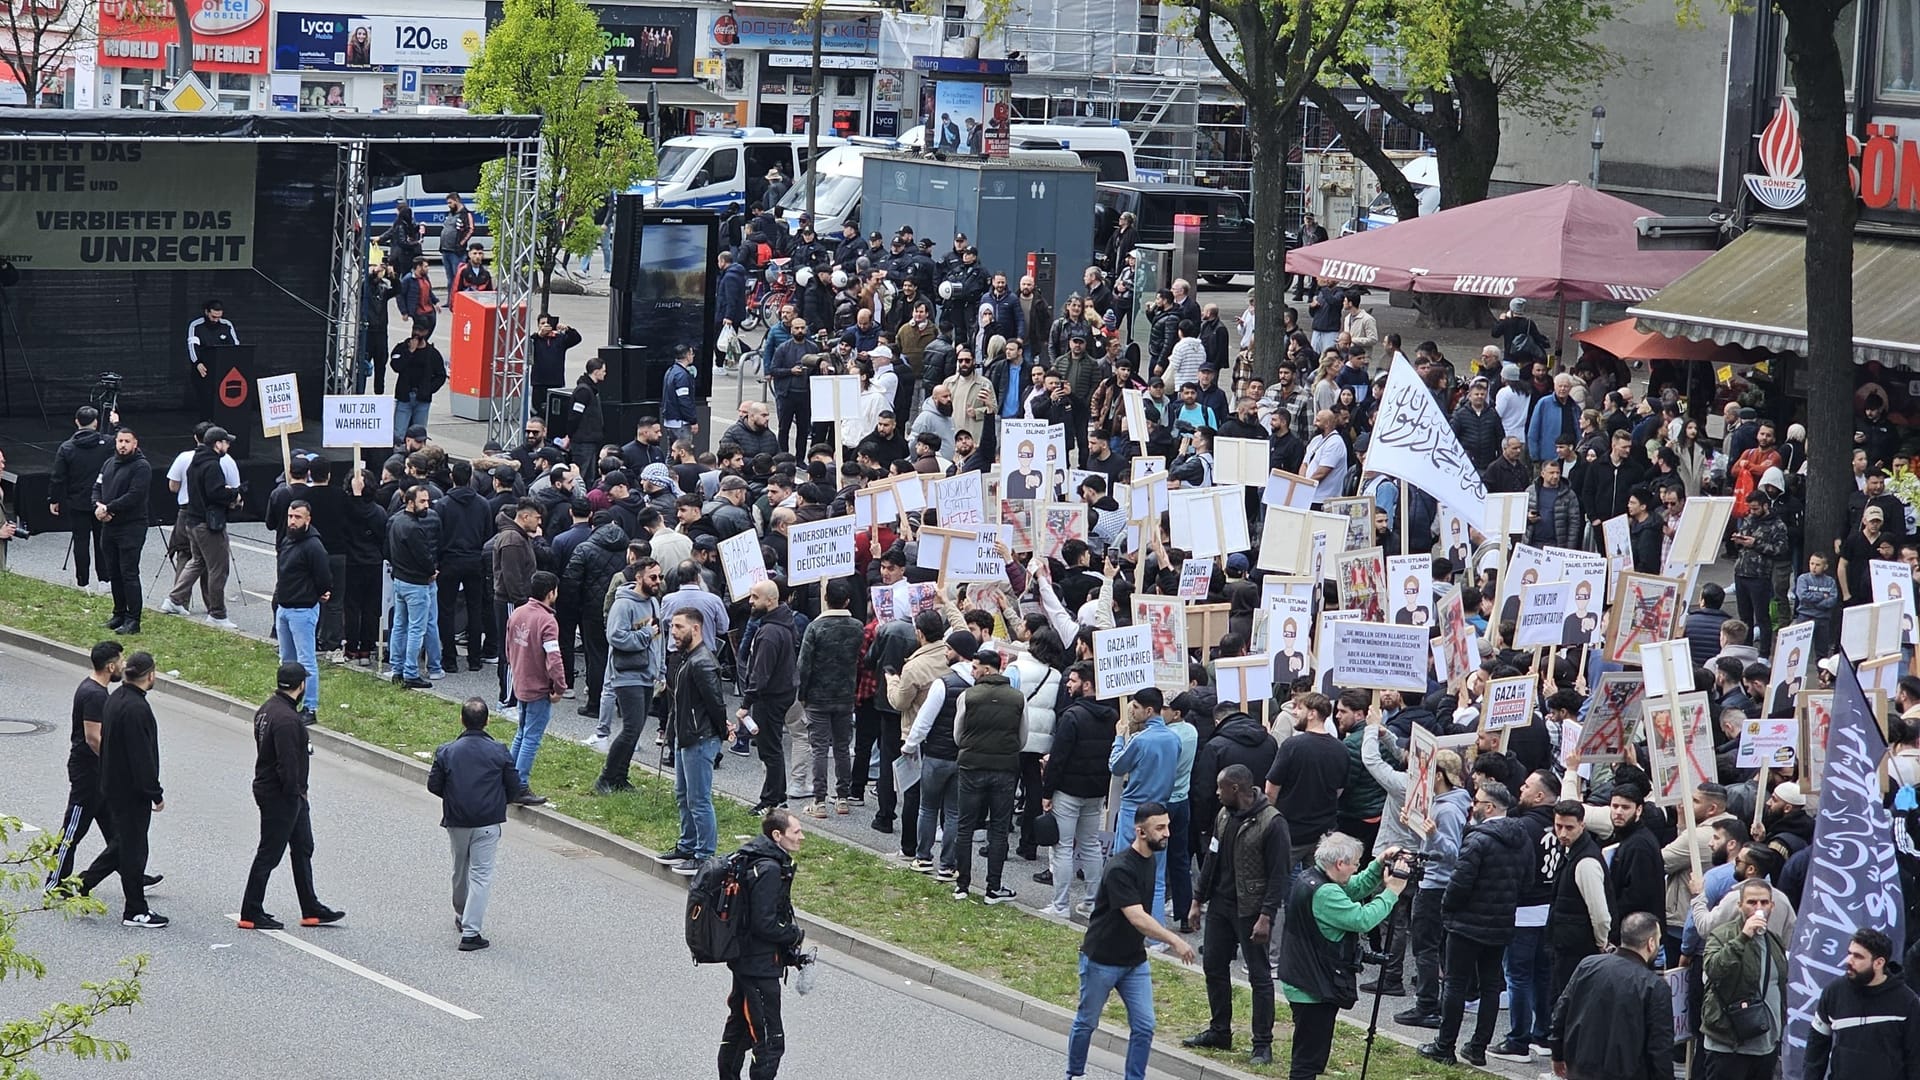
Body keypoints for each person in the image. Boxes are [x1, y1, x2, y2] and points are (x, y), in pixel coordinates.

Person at [1065, 802, 1196, 1080]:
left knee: (1145, 1025)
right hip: (1101, 960)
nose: (1167, 833)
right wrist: (1174, 940)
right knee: (1087, 1022)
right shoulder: (1120, 868)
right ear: (1140, 832)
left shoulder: (1151, 860)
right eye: (1160, 828)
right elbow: (1137, 917)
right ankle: (1074, 1074)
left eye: (1167, 826)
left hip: (1133, 961)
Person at [1278, 832, 1411, 1080]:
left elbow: (1355, 887)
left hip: (1304, 978)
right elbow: (1362, 919)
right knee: (1307, 1061)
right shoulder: (1326, 893)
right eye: (1355, 863)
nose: (1356, 867)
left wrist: (1378, 862)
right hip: (1312, 987)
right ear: (1340, 864)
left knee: (1311, 1053)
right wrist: (1392, 892)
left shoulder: (1312, 877)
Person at [1183, 764, 1291, 1065]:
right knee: (1214, 967)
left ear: (1235, 789)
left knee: (1259, 976)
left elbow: (1279, 875)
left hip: (1252, 909)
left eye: (1221, 788)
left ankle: (1262, 1045)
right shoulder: (1224, 815)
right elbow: (1212, 859)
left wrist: (1267, 916)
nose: (1216, 793)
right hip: (1221, 904)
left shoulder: (1273, 823)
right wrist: (1197, 899)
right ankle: (1220, 1031)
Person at [1419, 780, 1532, 1067]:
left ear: (1490, 807)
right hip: (1502, 923)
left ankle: (1445, 1046)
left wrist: (1448, 910)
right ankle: (1478, 1047)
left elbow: (1459, 884)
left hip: (1466, 924)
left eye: (1478, 801)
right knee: (1491, 986)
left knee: (1455, 985)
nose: (1473, 805)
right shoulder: (1523, 838)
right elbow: (1528, 883)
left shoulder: (1477, 839)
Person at [428, 698, 546, 952]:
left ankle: (461, 913)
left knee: (460, 869)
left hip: (457, 822)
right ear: (487, 721)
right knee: (481, 874)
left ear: (461, 720)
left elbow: (433, 786)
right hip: (488, 823)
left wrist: (454, 797)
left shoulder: (446, 751)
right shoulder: (499, 751)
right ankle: (471, 932)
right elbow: (514, 788)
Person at [237, 663, 345, 930]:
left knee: (303, 846)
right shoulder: (287, 720)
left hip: (286, 793)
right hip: (282, 795)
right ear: (301, 685)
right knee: (269, 852)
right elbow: (287, 764)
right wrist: (295, 793)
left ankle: (311, 907)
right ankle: (250, 911)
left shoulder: (267, 709)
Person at [77, 651, 168, 928]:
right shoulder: (138, 709)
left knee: (122, 844)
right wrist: (155, 792)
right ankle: (135, 910)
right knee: (134, 851)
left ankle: (81, 883)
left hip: (112, 785)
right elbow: (142, 757)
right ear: (150, 675)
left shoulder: (115, 698)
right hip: (132, 791)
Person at [718, 808, 811, 1080]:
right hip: (759, 966)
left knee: (739, 1030)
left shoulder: (755, 858)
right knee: (770, 1042)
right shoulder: (769, 869)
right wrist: (793, 934)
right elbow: (765, 923)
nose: (802, 837)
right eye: (796, 832)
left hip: (746, 959)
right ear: (777, 835)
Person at [46, 642, 134, 890]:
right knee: (72, 830)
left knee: (117, 831)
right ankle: (54, 882)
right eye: (121, 660)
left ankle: (133, 874)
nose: (123, 665)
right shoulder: (95, 694)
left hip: (99, 773)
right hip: (88, 773)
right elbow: (93, 737)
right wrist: (113, 764)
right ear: (110, 666)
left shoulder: (95, 689)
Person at [1550, 911, 1674, 1080]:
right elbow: (1660, 1049)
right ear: (1651, 943)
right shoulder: (1654, 986)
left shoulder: (1588, 965)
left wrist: (1557, 1053)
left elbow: (1561, 1012)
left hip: (1580, 1069)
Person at [951, 648, 1026, 904]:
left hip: (972, 766)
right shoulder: (1017, 698)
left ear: (986, 669)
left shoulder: (968, 696)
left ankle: (962, 884)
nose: (972, 672)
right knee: (998, 827)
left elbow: (958, 735)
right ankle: (993, 887)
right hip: (1004, 768)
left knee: (965, 825)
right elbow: (1023, 736)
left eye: (975, 667)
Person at [1699, 878, 1787, 1080]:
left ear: (1772, 905)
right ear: (1740, 905)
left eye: (1764, 903)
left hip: (1765, 1042)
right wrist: (1743, 937)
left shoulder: (1773, 940)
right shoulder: (1723, 935)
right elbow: (1713, 969)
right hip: (1729, 1043)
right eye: (1752, 902)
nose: (1759, 908)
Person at [1805, 927, 1920, 1080]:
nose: (1849, 961)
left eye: (1858, 956)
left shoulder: (1907, 1001)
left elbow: (1915, 1059)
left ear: (1879, 963)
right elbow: (1816, 1047)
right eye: (1849, 953)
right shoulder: (1834, 992)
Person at [663, 607, 728, 876]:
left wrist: (722, 732)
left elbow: (716, 703)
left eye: (679, 627)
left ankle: (704, 855)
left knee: (699, 799)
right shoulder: (686, 658)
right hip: (685, 737)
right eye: (672, 627)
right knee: (683, 794)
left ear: (696, 629)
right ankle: (687, 845)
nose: (673, 633)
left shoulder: (702, 662)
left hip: (699, 738)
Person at [596, 556, 664, 795]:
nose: (658, 581)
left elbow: (659, 638)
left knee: (636, 729)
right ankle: (605, 777)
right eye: (653, 577)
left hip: (647, 674)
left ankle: (620, 778)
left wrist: (661, 668)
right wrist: (644, 635)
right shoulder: (623, 605)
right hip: (627, 675)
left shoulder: (654, 603)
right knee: (630, 728)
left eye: (660, 577)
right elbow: (615, 637)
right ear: (638, 578)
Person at [795, 578, 860, 816]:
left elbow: (804, 665)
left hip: (817, 696)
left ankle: (819, 800)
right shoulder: (857, 627)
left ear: (825, 598)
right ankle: (843, 797)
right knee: (843, 747)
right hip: (845, 695)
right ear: (848, 600)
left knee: (819, 748)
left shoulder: (815, 628)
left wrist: (802, 694)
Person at [270, 500, 333, 720]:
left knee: (306, 661)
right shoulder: (288, 539)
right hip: (285, 608)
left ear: (308, 519)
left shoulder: (313, 546)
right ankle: (288, 700)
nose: (292, 521)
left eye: (297, 517)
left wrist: (320, 592)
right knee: (286, 660)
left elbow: (324, 576)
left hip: (303, 611)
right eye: (290, 516)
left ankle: (310, 707)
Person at [504, 570, 567, 792]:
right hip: (539, 688)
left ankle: (509, 779)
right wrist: (560, 686)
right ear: (551, 593)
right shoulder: (547, 621)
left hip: (520, 682)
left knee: (521, 732)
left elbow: (509, 648)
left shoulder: (517, 613)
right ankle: (520, 785)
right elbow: (554, 659)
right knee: (531, 737)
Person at [93, 428, 152, 635]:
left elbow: (134, 495)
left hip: (131, 526)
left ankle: (133, 619)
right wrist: (98, 507)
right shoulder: (109, 463)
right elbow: (97, 487)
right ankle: (118, 613)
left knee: (129, 573)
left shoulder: (141, 467)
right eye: (120, 441)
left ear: (135, 443)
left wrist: (109, 508)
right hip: (108, 525)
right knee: (113, 572)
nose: (123, 445)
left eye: (127, 441)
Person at [49, 406, 114, 590]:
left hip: (77, 501)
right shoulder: (107, 443)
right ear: (96, 423)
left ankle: (82, 582)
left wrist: (54, 499)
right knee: (102, 540)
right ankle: (105, 579)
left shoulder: (67, 447)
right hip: (101, 501)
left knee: (81, 541)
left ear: (76, 422)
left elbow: (58, 477)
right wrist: (115, 425)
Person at [390, 316, 448, 437]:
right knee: (399, 433)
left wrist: (429, 389)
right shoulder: (401, 348)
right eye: (415, 329)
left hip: (422, 399)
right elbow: (396, 366)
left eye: (420, 331)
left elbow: (441, 376)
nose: (416, 333)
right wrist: (409, 352)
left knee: (419, 434)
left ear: (426, 332)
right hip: (404, 397)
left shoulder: (432, 353)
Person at [187, 298, 239, 417]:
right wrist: (197, 363)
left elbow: (236, 345)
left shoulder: (226, 325)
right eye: (213, 317)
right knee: (205, 399)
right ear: (207, 312)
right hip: (204, 369)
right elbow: (192, 346)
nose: (216, 320)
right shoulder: (196, 326)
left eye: (218, 317)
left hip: (224, 370)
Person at [440, 194, 475, 289]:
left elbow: (470, 230)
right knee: (450, 279)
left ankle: (459, 300)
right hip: (445, 249)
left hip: (456, 252)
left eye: (450, 202)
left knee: (458, 277)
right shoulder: (450, 213)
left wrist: (460, 244)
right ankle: (450, 302)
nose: (449, 205)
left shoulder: (466, 214)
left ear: (456, 200)